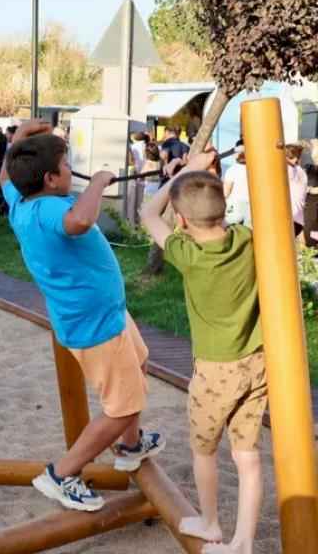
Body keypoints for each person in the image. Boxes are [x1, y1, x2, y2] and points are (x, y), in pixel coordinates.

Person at [2, 121, 163, 512]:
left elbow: (6, 173)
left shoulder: (19, 200)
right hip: (94, 324)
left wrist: (20, 137)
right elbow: (80, 222)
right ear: (51, 178)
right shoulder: (47, 211)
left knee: (138, 364)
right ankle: (61, 472)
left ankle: (129, 444)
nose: (72, 170)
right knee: (121, 405)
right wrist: (100, 182)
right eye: (67, 165)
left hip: (108, 314)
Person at [139, 148, 265, 554]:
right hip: (258, 362)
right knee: (247, 455)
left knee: (204, 449)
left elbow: (146, 213)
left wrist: (186, 172)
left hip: (216, 368)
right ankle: (243, 540)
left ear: (182, 221)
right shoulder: (247, 240)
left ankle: (211, 523)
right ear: (224, 208)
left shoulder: (187, 253)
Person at [223, 142, 251, 227]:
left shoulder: (232, 170)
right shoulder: (253, 169)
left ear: (236, 155)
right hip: (251, 206)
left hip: (235, 206)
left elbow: (226, 192)